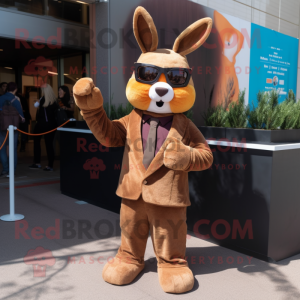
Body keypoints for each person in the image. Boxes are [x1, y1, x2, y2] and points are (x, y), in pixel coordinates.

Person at [29, 84, 58, 171]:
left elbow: (35, 106)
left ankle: (37, 163)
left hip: (41, 124)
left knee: (37, 143)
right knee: (49, 145)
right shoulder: (54, 100)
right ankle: (50, 165)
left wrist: (37, 101)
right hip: (52, 125)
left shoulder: (42, 99)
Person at [0, 82, 25, 178]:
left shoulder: (1, 98)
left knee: (2, 148)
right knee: (13, 149)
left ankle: (5, 169)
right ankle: (12, 171)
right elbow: (22, 118)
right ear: (15, 89)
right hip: (13, 128)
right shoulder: (16, 100)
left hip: (2, 127)